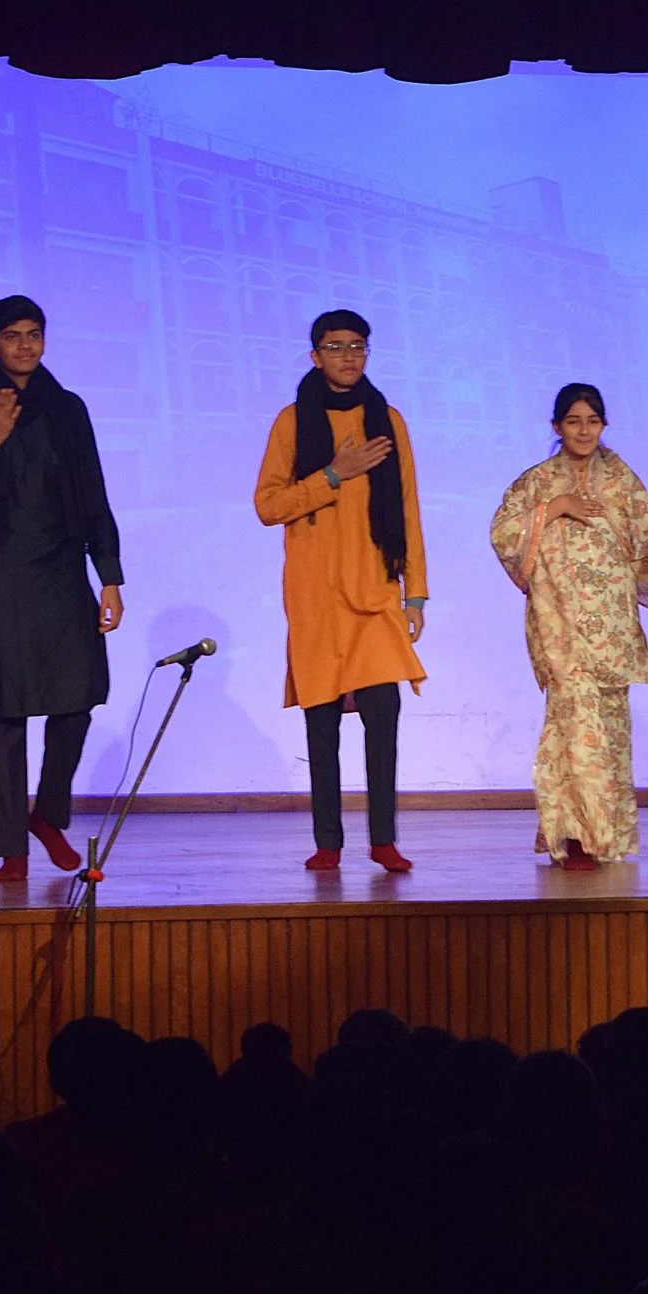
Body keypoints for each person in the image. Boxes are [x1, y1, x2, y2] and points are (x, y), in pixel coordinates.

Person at [0, 295, 123, 884]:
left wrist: (110, 576)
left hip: (63, 572)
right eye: (11, 336)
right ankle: (12, 849)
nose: (24, 345)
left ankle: (48, 814)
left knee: (79, 695)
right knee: (3, 712)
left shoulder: (68, 410)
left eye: (33, 334)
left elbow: (93, 494)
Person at [254, 309, 429, 875]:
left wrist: (416, 594)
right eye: (336, 347)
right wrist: (334, 474)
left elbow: (407, 508)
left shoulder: (388, 420)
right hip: (315, 594)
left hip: (375, 587)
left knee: (384, 711)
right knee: (322, 722)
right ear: (314, 356)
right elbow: (268, 505)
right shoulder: (290, 421)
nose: (348, 356)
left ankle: (383, 840)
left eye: (358, 346)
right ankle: (328, 842)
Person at [489, 384, 648, 871]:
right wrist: (552, 509)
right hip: (557, 619)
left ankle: (605, 836)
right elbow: (503, 534)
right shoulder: (536, 482)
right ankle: (576, 836)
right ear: (556, 426)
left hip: (612, 623)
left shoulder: (621, 480)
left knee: (611, 730)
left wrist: (627, 572)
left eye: (593, 420)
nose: (584, 430)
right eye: (573, 421)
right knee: (573, 723)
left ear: (604, 425)